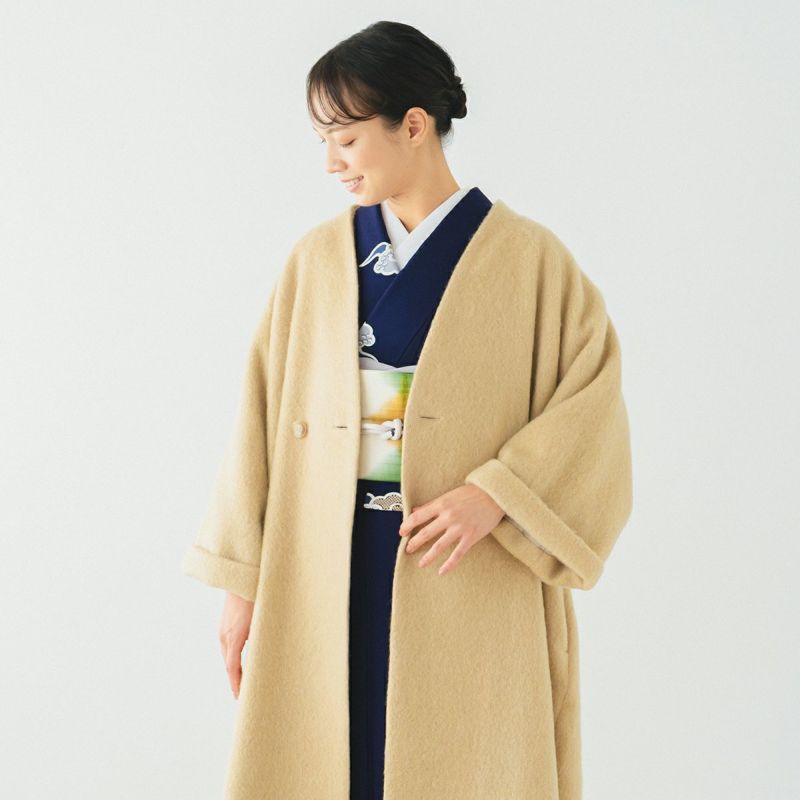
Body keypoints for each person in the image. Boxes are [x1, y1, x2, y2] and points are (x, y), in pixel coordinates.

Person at [182, 20, 633, 800]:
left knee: (464, 760)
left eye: (346, 138)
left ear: (414, 126)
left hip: (467, 560)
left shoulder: (530, 262)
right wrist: (240, 584)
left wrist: (494, 493)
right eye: (324, 142)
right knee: (332, 759)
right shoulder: (316, 261)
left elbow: (591, 407)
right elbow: (257, 420)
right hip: (324, 560)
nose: (331, 162)